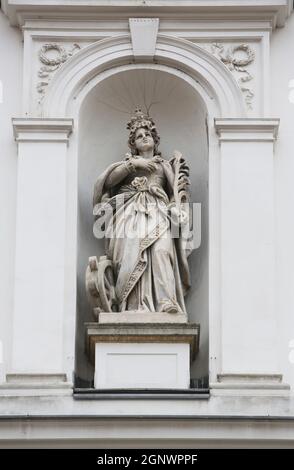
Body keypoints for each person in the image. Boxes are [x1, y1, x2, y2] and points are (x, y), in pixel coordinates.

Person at [93, 108, 191, 314]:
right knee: (131, 253)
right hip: (130, 214)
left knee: (162, 251)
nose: (144, 137)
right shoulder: (128, 163)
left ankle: (165, 302)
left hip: (158, 212)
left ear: (155, 140)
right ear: (133, 144)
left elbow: (174, 191)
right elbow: (108, 181)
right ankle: (133, 305)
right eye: (139, 136)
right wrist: (133, 165)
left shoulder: (164, 165)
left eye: (147, 134)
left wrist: (175, 206)